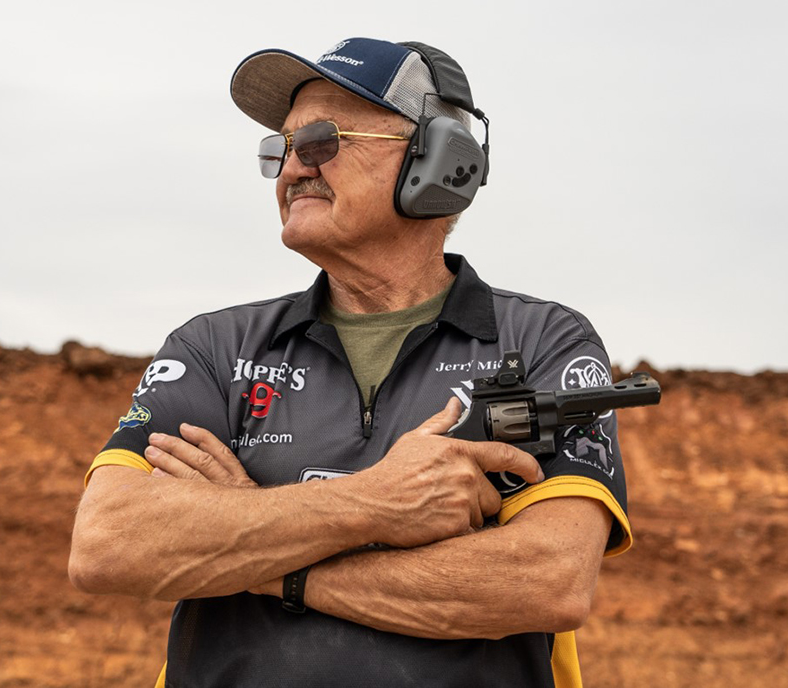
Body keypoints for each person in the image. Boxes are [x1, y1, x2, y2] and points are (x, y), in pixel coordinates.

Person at [69, 37, 631, 688]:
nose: (290, 170)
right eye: (279, 150)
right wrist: (373, 504)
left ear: (437, 160)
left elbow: (546, 581)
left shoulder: (543, 342)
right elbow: (109, 543)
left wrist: (252, 549)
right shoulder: (214, 349)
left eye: (320, 141)